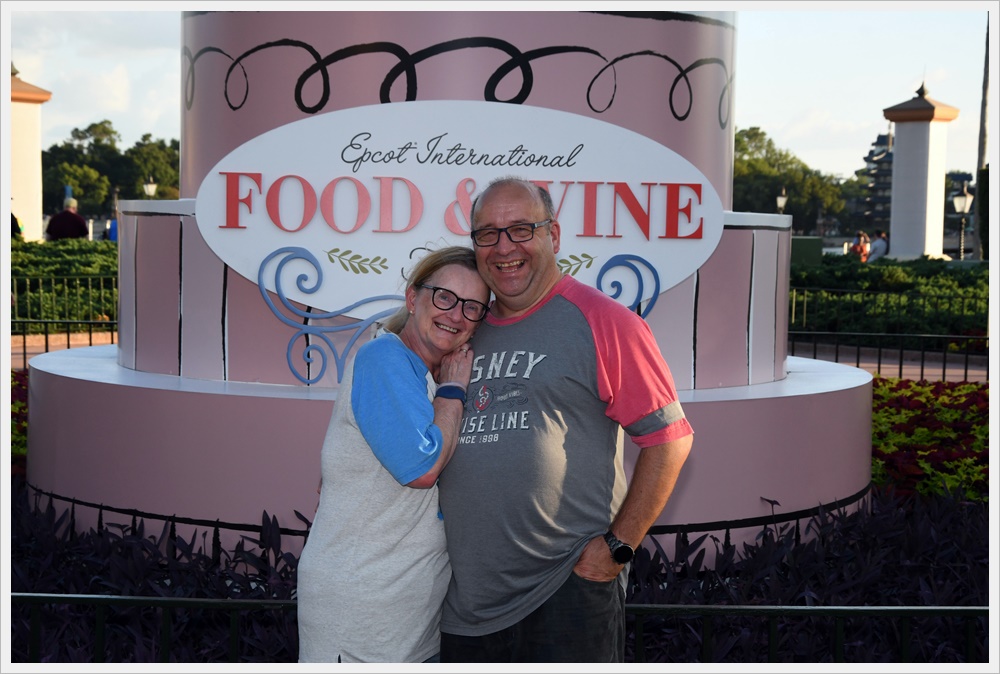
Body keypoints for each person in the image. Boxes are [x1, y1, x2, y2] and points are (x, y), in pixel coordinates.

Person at [437, 177, 695, 662]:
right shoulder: (465, 329)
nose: (504, 247)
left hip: (565, 595)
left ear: (553, 235)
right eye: (488, 234)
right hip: (465, 605)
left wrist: (616, 549)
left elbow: (670, 440)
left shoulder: (605, 321)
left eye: (521, 229)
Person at [296, 246, 490, 663]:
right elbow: (421, 468)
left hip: (411, 618)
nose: (456, 314)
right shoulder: (385, 357)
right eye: (444, 297)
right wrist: (453, 392)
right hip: (361, 610)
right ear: (412, 298)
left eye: (472, 306)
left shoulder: (432, 375)